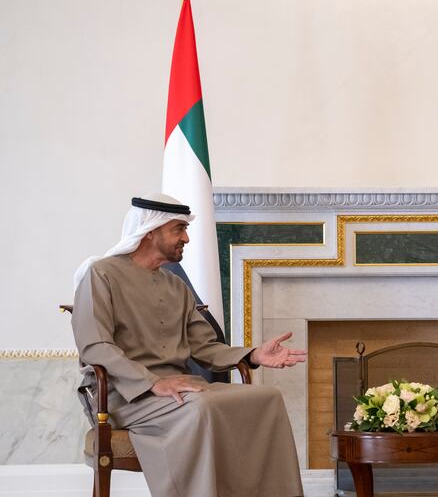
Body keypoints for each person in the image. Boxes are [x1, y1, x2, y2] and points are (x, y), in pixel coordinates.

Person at [71, 193, 306, 497]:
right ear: (150, 230)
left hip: (177, 388)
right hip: (123, 394)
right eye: (178, 229)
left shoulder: (176, 286)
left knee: (268, 397)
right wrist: (153, 382)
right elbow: (95, 345)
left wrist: (254, 354)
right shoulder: (101, 274)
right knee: (201, 406)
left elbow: (204, 347)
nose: (186, 238)